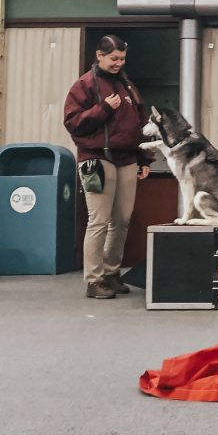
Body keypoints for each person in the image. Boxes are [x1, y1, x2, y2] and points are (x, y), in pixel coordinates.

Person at [64, 34, 152, 299]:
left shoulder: (126, 85)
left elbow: (141, 123)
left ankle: (111, 273)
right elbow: (73, 123)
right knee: (99, 220)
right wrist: (103, 108)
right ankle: (94, 280)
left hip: (126, 159)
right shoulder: (85, 85)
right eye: (114, 58)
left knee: (122, 220)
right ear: (99, 56)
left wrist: (144, 159)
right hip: (96, 159)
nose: (118, 63)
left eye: (122, 58)